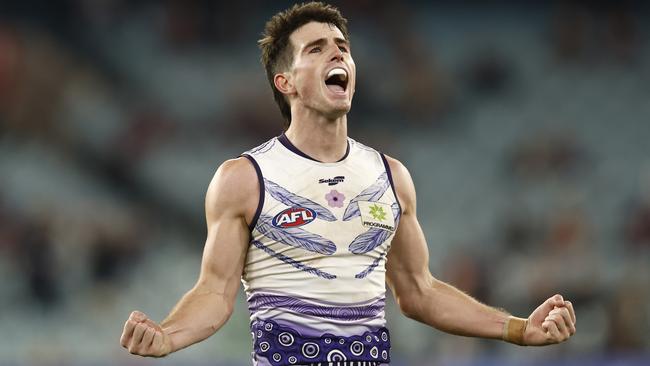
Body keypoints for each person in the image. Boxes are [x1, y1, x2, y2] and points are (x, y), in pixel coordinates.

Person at [119, 2, 576, 365]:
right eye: (316, 49)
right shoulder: (243, 179)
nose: (337, 53)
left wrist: (518, 329)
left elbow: (419, 292)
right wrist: (167, 337)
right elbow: (215, 294)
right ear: (286, 82)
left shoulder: (391, 177)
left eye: (342, 46)